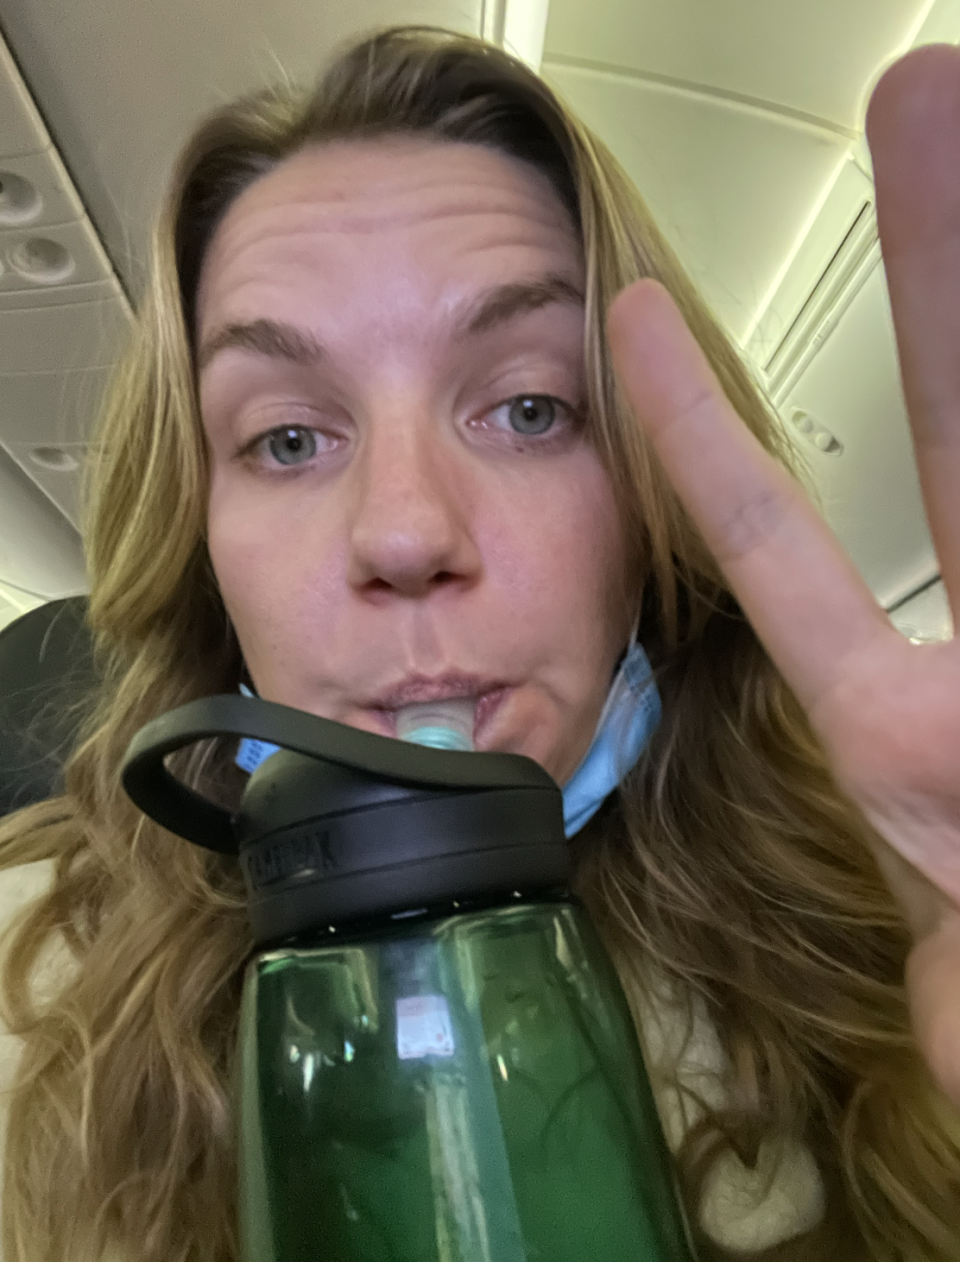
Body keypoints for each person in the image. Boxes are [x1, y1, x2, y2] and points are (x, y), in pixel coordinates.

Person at [0, 22, 957, 1262]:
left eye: (527, 407)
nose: (405, 531)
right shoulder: (26, 984)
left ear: (650, 507)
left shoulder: (891, 922)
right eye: (289, 437)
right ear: (198, 540)